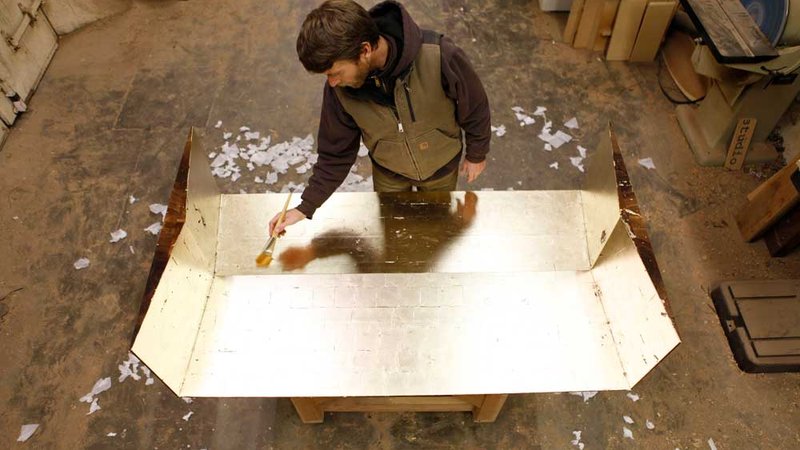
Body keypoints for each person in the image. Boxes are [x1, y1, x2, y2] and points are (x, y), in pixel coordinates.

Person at [270, 0, 491, 236]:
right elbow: (335, 155)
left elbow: (474, 105)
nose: (332, 82)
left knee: (435, 226)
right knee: (395, 231)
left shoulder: (438, 55)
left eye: (335, 73)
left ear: (364, 50)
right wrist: (305, 207)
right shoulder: (339, 91)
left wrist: (476, 152)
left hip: (442, 168)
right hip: (388, 175)